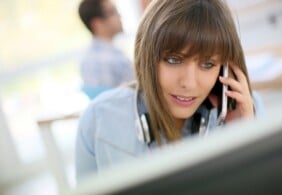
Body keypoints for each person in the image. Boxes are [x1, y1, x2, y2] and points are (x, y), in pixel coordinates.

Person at [76, 0, 264, 181]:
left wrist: (242, 138)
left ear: (224, 67)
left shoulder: (246, 111)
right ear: (147, 58)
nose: (189, 83)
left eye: (208, 64)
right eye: (173, 60)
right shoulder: (99, 119)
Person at [78, 0, 134, 100]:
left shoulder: (88, 58)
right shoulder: (107, 59)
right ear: (97, 24)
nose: (120, 15)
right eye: (112, 12)